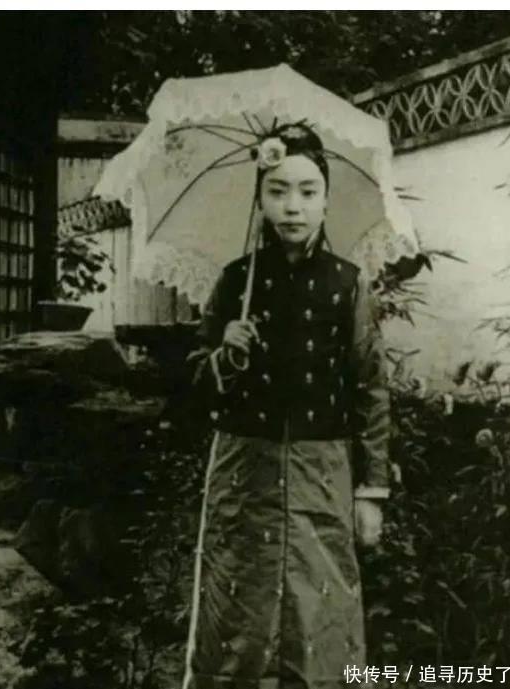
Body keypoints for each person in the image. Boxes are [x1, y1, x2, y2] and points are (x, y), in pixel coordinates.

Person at [182, 123, 390, 689]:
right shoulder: (235, 283)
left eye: (307, 191)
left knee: (321, 605)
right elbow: (195, 379)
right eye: (277, 191)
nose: (292, 206)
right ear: (260, 199)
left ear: (325, 200)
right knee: (237, 605)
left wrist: (370, 492)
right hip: (243, 468)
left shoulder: (347, 284)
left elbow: (371, 387)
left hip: (322, 469)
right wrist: (226, 352)